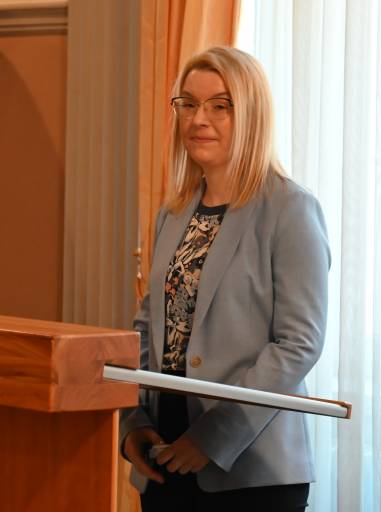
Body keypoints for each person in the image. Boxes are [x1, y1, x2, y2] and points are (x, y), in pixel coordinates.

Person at [120, 46, 330, 511]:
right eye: (189, 103)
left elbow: (298, 344)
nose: (199, 119)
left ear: (252, 114)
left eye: (220, 105)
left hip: (250, 468)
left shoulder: (291, 209)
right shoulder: (173, 213)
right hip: (164, 455)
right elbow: (147, 327)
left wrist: (214, 437)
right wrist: (132, 421)